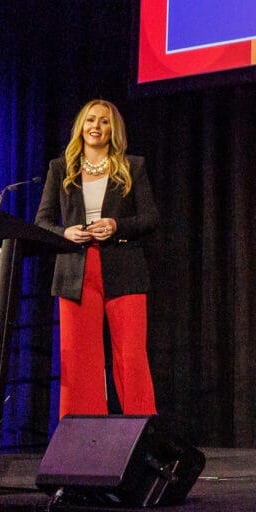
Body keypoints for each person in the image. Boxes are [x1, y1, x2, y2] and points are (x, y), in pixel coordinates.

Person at [35, 99, 160, 416]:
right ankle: (81, 434)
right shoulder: (60, 168)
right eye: (90, 120)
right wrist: (64, 233)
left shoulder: (133, 166)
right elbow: (43, 221)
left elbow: (150, 218)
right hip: (75, 269)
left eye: (104, 122)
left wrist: (117, 224)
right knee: (79, 358)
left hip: (124, 267)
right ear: (81, 126)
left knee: (130, 355)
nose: (96, 126)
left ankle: (141, 430)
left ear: (112, 129)